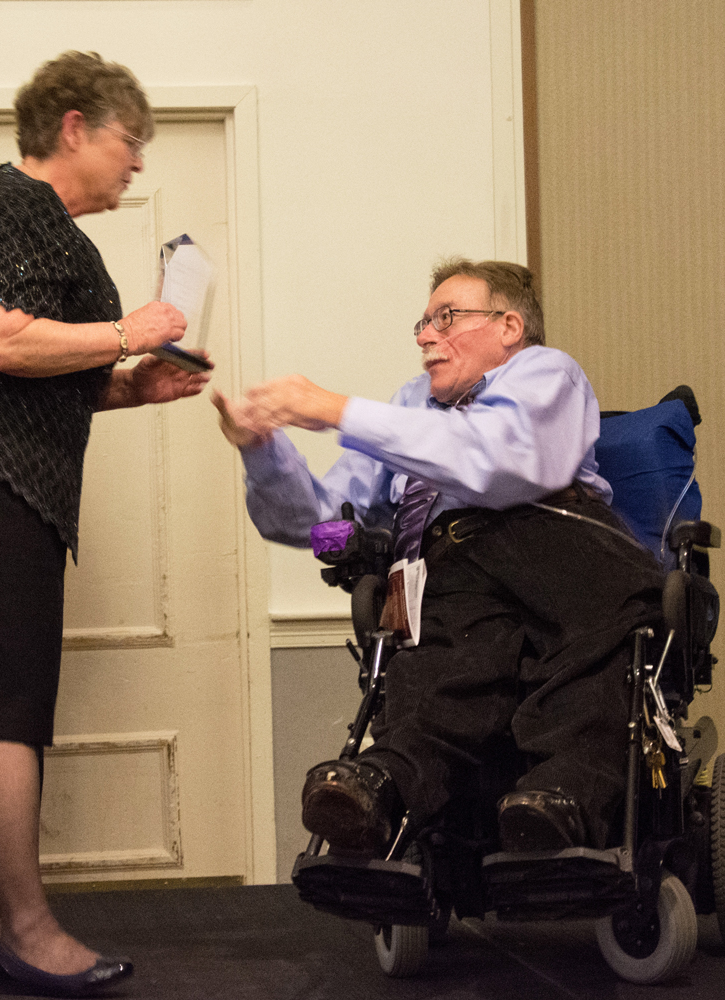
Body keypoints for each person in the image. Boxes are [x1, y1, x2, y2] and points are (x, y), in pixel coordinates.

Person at [0, 52, 210, 996]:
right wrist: (127, 334)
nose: (136, 163)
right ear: (74, 127)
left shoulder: (21, 216)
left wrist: (127, 388)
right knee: (4, 715)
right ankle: (28, 932)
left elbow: (19, 373)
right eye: (128, 141)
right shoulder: (16, 206)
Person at [214, 258, 662, 858]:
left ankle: (564, 794)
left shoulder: (545, 373)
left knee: (594, 647)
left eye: (446, 318)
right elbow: (317, 523)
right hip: (447, 566)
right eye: (423, 322)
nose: (426, 335)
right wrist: (262, 452)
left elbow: (496, 461)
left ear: (508, 326)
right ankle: (382, 784)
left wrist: (336, 409)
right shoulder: (410, 406)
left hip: (560, 545)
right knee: (440, 674)